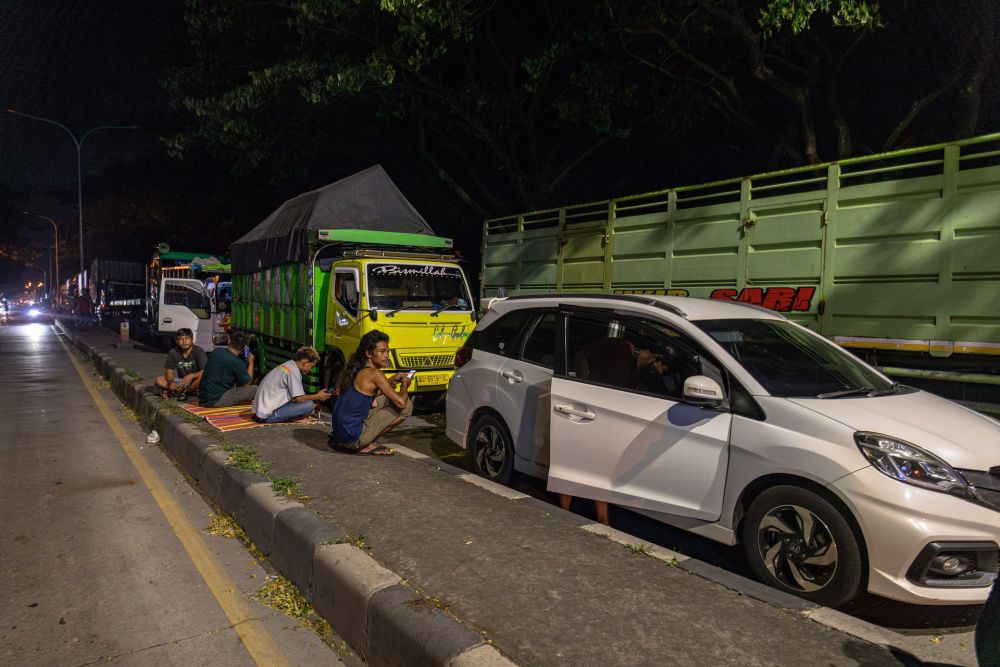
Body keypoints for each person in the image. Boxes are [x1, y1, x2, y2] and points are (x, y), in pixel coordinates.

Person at [328, 331, 413, 456]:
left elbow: (370, 394)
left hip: (341, 434)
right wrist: (405, 385)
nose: (386, 356)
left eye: (387, 352)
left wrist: (391, 380)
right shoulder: (375, 374)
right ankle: (366, 444)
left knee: (385, 399)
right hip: (352, 439)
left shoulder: (357, 368)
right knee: (407, 405)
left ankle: (365, 441)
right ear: (368, 353)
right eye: (382, 351)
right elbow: (400, 403)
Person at [252, 346, 331, 423]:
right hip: (266, 416)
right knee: (309, 405)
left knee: (306, 403)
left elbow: (295, 399)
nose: (310, 369)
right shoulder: (293, 371)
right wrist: (317, 396)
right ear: (305, 361)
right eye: (311, 366)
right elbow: (298, 399)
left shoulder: (288, 365)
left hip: (259, 413)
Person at [198, 332, 257, 407]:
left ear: (229, 341)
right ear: (244, 347)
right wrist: (251, 362)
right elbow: (247, 383)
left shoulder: (217, 351)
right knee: (255, 389)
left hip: (203, 399)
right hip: (216, 400)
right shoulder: (238, 362)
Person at [154, 328, 208, 400]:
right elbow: (169, 371)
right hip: (182, 381)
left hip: (195, 381)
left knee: (204, 378)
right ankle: (184, 392)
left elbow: (205, 371)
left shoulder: (199, 351)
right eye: (180, 339)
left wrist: (191, 376)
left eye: (187, 338)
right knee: (159, 380)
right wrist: (171, 383)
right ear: (176, 341)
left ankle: (179, 392)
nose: (184, 341)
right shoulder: (173, 352)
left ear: (192, 339)